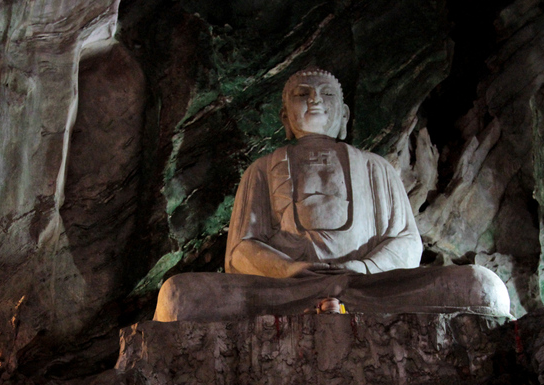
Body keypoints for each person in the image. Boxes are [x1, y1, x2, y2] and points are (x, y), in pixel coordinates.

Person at [153, 68, 510, 322]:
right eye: (302, 94)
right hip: (285, 290)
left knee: (482, 287)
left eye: (326, 95)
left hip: (367, 286)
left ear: (344, 115)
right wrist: (292, 270)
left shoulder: (376, 168)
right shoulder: (261, 170)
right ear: (285, 116)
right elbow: (240, 251)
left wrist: (362, 267)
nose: (315, 100)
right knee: (177, 297)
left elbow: (407, 243)